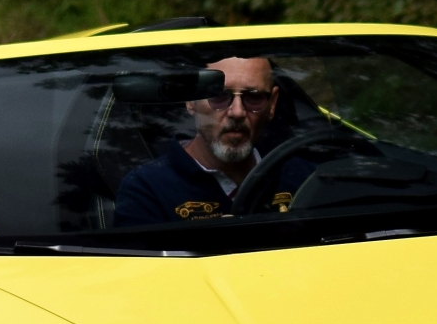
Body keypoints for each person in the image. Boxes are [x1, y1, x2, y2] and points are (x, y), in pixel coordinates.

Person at [114, 54, 314, 225]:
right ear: (191, 101)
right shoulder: (147, 189)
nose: (237, 112)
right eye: (219, 96)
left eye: (254, 97)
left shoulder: (302, 177)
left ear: (272, 105)